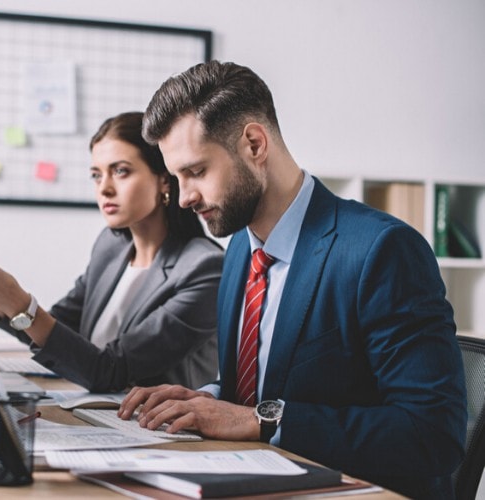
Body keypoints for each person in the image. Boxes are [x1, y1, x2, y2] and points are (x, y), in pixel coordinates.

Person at [117, 61, 467, 499]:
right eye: (178, 178)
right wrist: (201, 400)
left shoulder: (381, 251)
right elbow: (260, 387)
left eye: (197, 172)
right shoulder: (242, 247)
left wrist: (260, 419)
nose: (185, 197)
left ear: (254, 144)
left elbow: (433, 434)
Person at [0, 111, 223, 393]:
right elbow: (56, 329)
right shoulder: (110, 247)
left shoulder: (204, 268)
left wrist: (16, 302)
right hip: (98, 416)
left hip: (165, 431)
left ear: (164, 179)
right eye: (96, 175)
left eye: (121, 171)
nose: (105, 189)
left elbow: (112, 370)